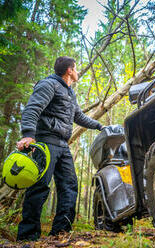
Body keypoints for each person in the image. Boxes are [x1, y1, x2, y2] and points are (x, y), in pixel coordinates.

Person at [16, 56, 103, 241]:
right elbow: (32, 109)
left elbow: (78, 116)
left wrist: (99, 126)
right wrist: (28, 134)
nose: (78, 72)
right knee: (39, 187)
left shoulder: (70, 93)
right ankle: (27, 236)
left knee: (70, 186)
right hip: (46, 142)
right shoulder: (49, 85)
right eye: (76, 68)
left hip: (63, 146)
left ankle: (60, 233)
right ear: (69, 70)